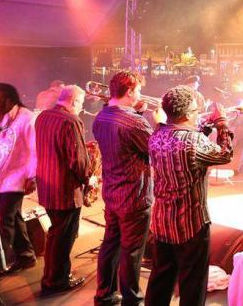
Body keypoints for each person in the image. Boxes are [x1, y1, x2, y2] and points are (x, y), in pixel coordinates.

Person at [145, 85, 234, 306]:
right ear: (186, 114)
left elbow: (185, 144)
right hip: (191, 224)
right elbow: (225, 154)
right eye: (195, 111)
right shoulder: (194, 141)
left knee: (161, 280)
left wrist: (204, 127)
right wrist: (222, 122)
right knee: (193, 284)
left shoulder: (155, 136)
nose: (197, 115)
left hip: (162, 222)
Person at [92, 71, 154, 306]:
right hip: (134, 196)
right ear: (129, 92)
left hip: (112, 193)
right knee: (132, 252)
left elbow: (124, 143)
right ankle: (132, 300)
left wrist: (138, 113)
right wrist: (158, 121)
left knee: (110, 245)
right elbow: (156, 149)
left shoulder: (101, 116)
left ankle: (105, 295)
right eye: (138, 90)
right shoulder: (135, 122)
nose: (139, 94)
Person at [35, 85, 91, 294]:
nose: (82, 108)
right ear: (74, 101)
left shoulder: (43, 117)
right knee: (65, 236)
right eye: (81, 103)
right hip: (66, 190)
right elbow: (77, 159)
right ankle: (58, 281)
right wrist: (89, 179)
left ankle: (49, 276)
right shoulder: (71, 121)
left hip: (47, 186)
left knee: (55, 233)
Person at [0, 83, 37, 273]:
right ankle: (26, 255)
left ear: (9, 101)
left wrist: (33, 176)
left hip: (17, 178)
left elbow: (34, 149)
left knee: (4, 220)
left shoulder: (26, 118)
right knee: (13, 216)